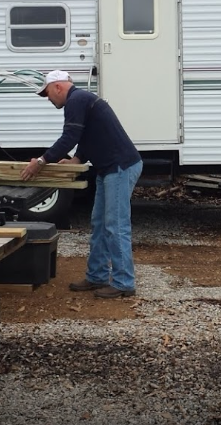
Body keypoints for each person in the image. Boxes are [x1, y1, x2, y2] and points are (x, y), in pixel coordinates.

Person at [20, 70, 144, 298]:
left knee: (115, 226)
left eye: (48, 94)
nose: (49, 99)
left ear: (58, 87)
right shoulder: (83, 100)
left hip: (120, 167)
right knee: (99, 223)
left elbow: (70, 136)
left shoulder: (76, 100)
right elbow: (88, 136)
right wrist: (77, 159)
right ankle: (96, 276)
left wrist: (41, 161)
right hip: (109, 168)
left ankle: (124, 282)